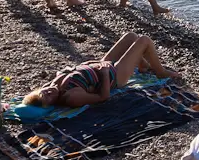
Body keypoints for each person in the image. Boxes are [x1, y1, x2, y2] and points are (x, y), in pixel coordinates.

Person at [22, 32, 180, 108]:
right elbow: (103, 96)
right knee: (144, 40)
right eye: (47, 98)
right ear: (50, 104)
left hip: (98, 67)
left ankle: (143, 66)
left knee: (130, 36)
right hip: (113, 77)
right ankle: (161, 72)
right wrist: (104, 73)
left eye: (44, 92)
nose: (49, 92)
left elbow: (64, 79)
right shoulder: (70, 98)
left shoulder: (53, 87)